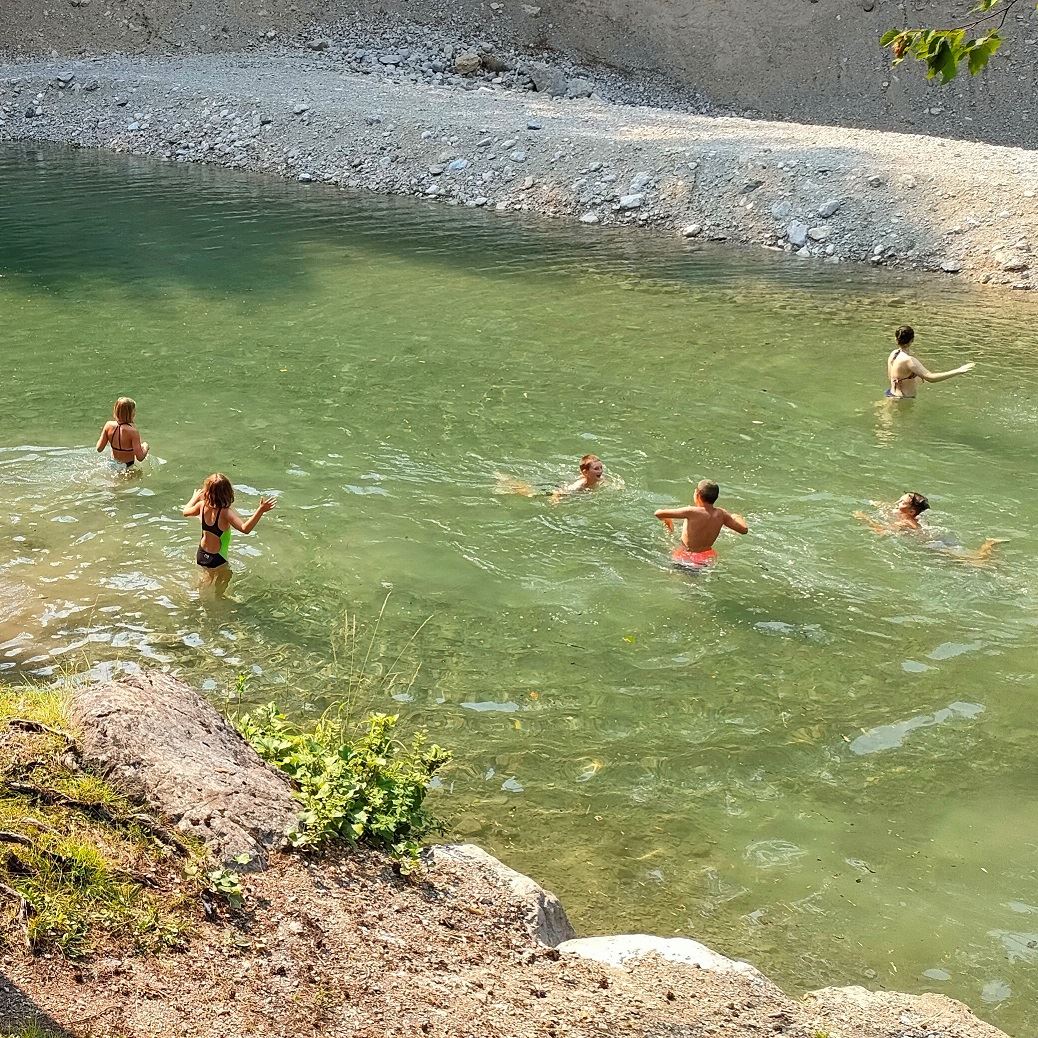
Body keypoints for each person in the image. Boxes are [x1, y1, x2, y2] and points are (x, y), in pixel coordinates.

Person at [854, 492, 1005, 565]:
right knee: (966, 556)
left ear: (911, 511)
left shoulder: (906, 522)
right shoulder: (907, 515)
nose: (897, 502)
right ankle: (989, 547)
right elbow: (891, 509)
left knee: (974, 562)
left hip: (932, 544)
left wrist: (864, 518)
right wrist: (877, 504)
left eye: (902, 502)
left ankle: (989, 544)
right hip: (934, 536)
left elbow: (880, 531)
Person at [182, 473, 277, 589]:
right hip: (217, 558)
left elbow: (185, 512)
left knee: (205, 580)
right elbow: (245, 529)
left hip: (201, 555)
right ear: (228, 493)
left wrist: (194, 498)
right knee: (227, 576)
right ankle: (218, 597)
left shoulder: (201, 506)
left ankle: (196, 594)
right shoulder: (225, 513)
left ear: (206, 491)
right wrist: (260, 510)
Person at [654, 479, 749, 568]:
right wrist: (736, 516)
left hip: (685, 556)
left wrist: (668, 521)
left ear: (697, 494)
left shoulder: (691, 511)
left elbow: (658, 513)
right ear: (716, 497)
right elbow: (744, 530)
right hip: (706, 558)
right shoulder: (721, 514)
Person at [886, 325, 975, 400]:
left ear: (896, 339)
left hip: (891, 394)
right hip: (903, 400)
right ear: (912, 340)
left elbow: (891, 377)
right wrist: (959, 370)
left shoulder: (894, 354)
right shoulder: (909, 360)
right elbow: (931, 378)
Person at [96, 397, 149, 468]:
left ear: (116, 410)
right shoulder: (133, 432)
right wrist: (145, 446)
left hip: (112, 464)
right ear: (131, 413)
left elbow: (99, 448)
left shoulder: (108, 425)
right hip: (127, 466)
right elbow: (140, 457)